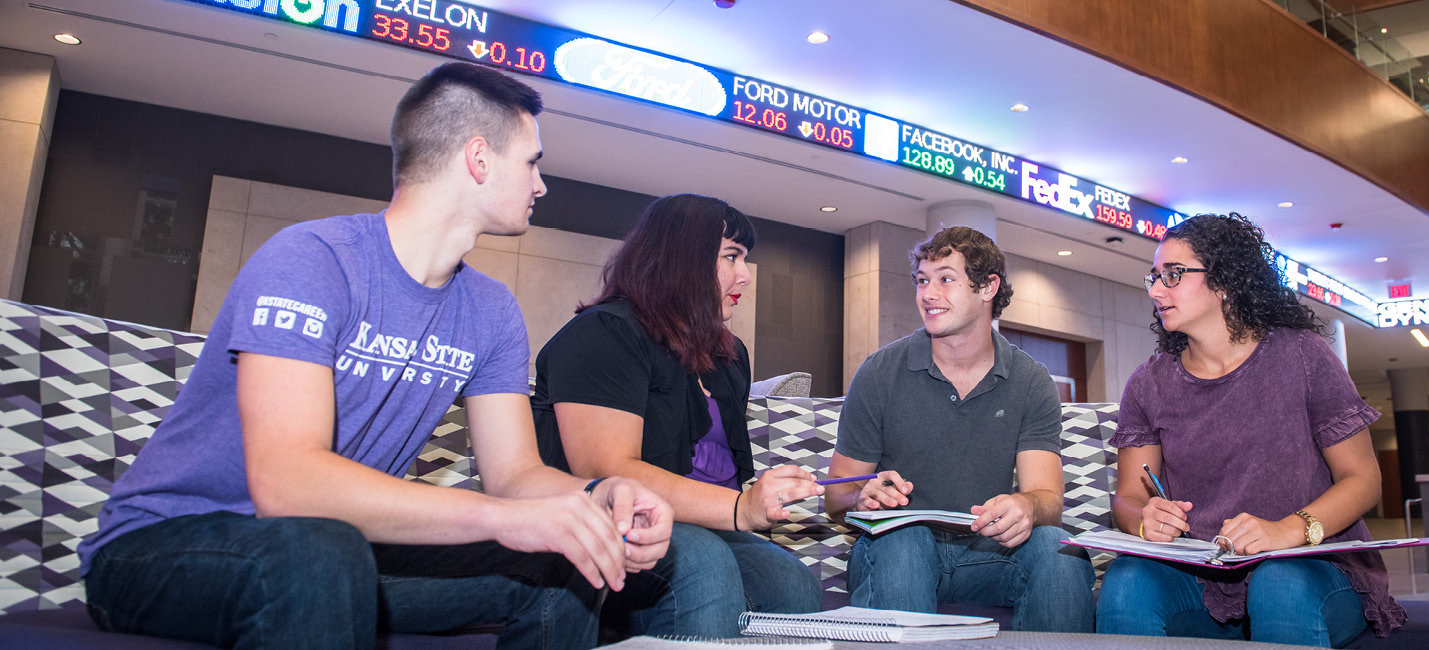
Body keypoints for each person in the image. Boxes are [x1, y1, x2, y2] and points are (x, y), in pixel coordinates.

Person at [78, 62, 673, 650]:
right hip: (167, 545)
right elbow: (287, 486)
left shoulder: (491, 310)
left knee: (565, 561)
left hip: (332, 548)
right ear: (479, 159)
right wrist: (500, 520)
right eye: (532, 162)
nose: (541, 185)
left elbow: (515, 475)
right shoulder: (312, 260)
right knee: (315, 550)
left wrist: (597, 496)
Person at [1095, 213, 1405, 647]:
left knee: (1279, 581)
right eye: (1154, 276)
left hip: (1313, 568)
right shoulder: (1148, 383)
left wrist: (1289, 530)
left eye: (1174, 274)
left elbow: (1365, 480)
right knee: (1127, 579)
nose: (1156, 289)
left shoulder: (1303, 357)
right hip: (1202, 576)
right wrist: (1146, 521)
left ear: (1223, 282)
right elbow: (1129, 497)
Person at [532, 194, 823, 638]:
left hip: (709, 527)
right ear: (681, 260)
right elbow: (606, 472)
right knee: (704, 564)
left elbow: (729, 472)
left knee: (793, 582)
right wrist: (741, 508)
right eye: (732, 256)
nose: (745, 275)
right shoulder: (604, 333)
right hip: (616, 525)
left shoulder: (730, 355)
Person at [822, 226, 1095, 632]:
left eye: (945, 279)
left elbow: (1048, 499)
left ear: (988, 288)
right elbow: (835, 496)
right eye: (922, 281)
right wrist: (862, 496)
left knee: (1057, 549)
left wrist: (1027, 506)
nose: (928, 294)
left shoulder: (1030, 381)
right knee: (906, 538)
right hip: (897, 550)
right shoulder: (880, 371)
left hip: (990, 555)